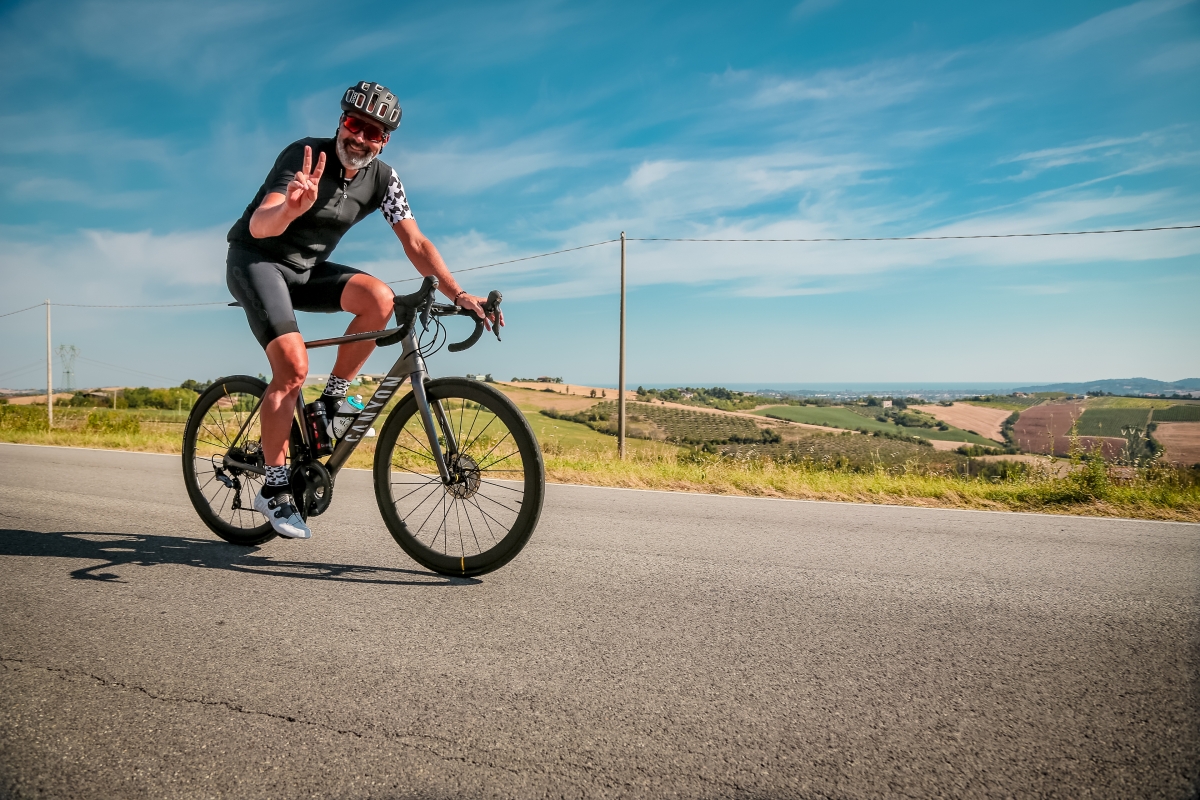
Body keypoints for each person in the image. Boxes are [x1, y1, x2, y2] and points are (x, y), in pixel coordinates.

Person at [226, 81, 501, 540]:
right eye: (355, 125)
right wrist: (290, 209)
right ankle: (273, 489)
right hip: (256, 261)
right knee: (293, 368)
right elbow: (259, 223)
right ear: (341, 122)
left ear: (384, 140)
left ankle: (331, 401)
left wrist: (458, 294)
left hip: (306, 271)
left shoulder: (385, 180)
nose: (360, 138)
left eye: (373, 133)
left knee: (380, 299)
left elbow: (415, 242)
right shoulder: (304, 156)